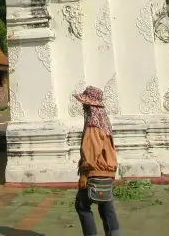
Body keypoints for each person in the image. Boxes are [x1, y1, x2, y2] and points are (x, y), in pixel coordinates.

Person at [73, 86, 121, 236]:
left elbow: (91, 153)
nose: (83, 107)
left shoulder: (93, 125)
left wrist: (84, 176)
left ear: (90, 105)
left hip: (95, 172)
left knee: (82, 205)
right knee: (107, 208)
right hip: (108, 172)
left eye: (85, 104)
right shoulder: (104, 123)